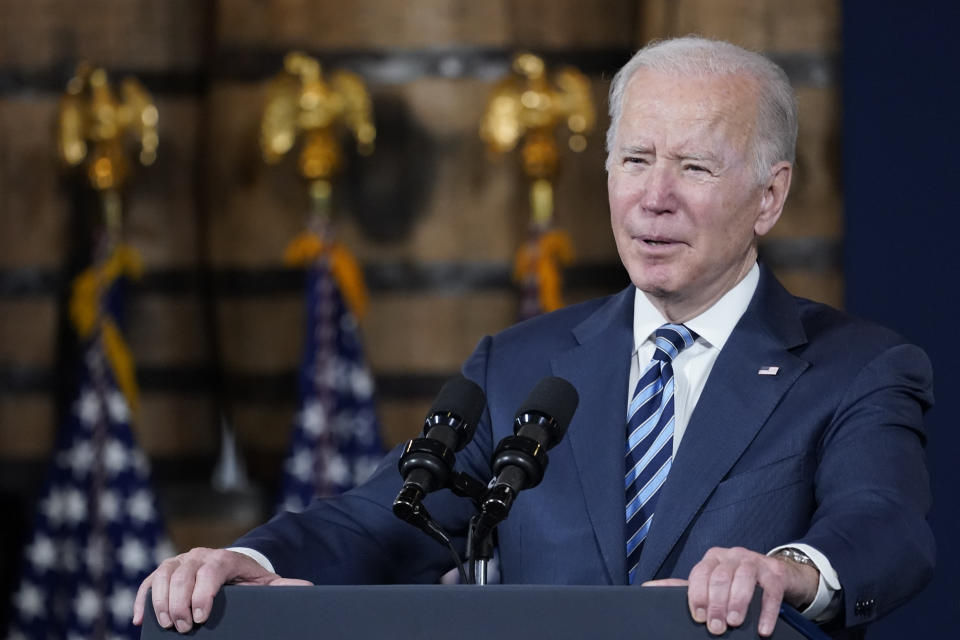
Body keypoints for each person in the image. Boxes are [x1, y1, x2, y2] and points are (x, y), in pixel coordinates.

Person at [134, 37, 934, 639]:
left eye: (694, 167)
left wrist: (787, 571)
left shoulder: (857, 369)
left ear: (769, 196)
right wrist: (251, 561)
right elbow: (381, 517)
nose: (654, 198)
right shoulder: (522, 366)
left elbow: (884, 524)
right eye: (635, 159)